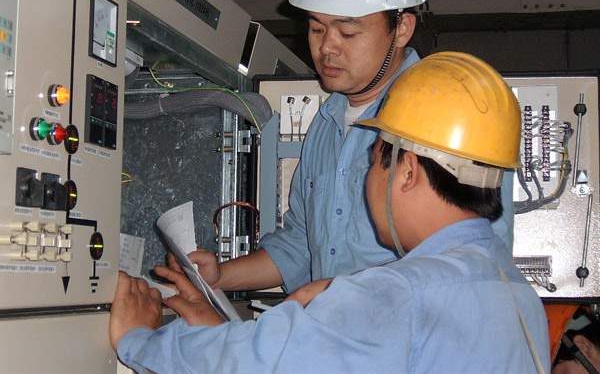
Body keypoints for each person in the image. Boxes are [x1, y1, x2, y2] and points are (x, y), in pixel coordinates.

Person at [110, 52, 551, 374]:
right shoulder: (515, 294)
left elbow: (255, 366)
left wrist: (140, 340)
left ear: (407, 172)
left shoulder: (400, 294)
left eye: (373, 160)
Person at [188, 0, 516, 296]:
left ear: (402, 28)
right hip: (337, 329)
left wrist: (340, 294)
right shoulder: (326, 124)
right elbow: (300, 245)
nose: (327, 47)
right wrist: (219, 277)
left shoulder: (449, 115)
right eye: (316, 29)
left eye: (348, 32)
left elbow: (474, 258)